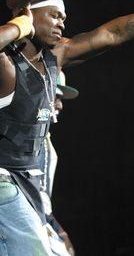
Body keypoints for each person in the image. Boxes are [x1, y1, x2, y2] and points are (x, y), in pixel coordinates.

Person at [0, 0, 134, 256]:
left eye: (63, 17)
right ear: (28, 12)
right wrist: (18, 27)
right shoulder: (0, 61)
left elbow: (112, 34)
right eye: (54, 15)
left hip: (25, 184)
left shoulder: (56, 55)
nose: (62, 23)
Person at [40, 71, 78, 256]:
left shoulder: (45, 136)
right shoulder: (31, 136)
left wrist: (56, 227)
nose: (60, 105)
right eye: (56, 96)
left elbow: (42, 195)